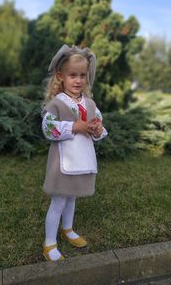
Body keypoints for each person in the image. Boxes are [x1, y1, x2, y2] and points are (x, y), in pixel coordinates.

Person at [41, 44, 108, 261]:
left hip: (81, 158)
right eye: (73, 75)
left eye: (82, 75)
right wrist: (74, 127)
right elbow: (48, 128)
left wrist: (97, 129)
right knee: (59, 201)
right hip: (63, 160)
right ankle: (49, 243)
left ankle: (67, 229)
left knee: (72, 198)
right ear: (61, 76)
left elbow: (99, 126)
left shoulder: (89, 104)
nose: (78, 80)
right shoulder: (57, 103)